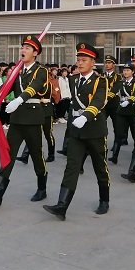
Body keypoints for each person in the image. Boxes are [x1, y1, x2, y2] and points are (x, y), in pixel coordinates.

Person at [43, 43, 109, 220]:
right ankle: (62, 206)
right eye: (78, 60)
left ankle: (104, 200)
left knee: (100, 167)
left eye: (84, 60)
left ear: (93, 63)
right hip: (76, 132)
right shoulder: (73, 79)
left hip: (94, 130)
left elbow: (99, 101)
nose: (80, 63)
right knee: (71, 167)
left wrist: (85, 116)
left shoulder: (101, 81)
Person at [0, 35, 50, 205]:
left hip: (32, 118)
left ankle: (42, 188)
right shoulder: (17, 71)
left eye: (27, 48)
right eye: (22, 47)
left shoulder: (41, 70)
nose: (23, 50)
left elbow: (34, 87)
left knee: (36, 155)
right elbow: (4, 88)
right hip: (17, 119)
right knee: (9, 154)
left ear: (35, 53)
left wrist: (19, 100)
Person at [108, 62, 135, 165]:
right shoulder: (120, 82)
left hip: (132, 110)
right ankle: (115, 156)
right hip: (121, 111)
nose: (125, 72)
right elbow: (113, 92)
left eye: (128, 70)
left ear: (132, 72)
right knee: (119, 132)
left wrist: (129, 101)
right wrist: (105, 100)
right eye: (124, 70)